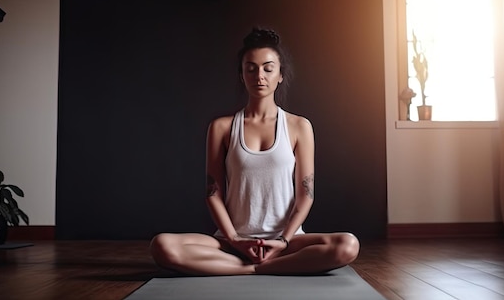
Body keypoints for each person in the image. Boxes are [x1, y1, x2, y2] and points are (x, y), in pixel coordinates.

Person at [149, 27, 360, 275]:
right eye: (251, 68)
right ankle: (256, 269)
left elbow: (306, 195)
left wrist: (282, 241)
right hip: (232, 241)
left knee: (347, 245)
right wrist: (236, 239)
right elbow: (213, 193)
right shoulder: (221, 127)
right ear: (242, 75)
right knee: (162, 246)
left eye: (268, 68)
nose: (259, 75)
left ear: (280, 74)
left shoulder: (299, 127)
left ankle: (257, 266)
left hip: (285, 241)